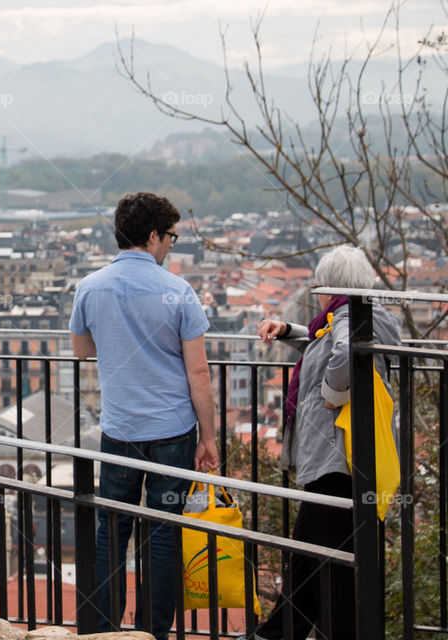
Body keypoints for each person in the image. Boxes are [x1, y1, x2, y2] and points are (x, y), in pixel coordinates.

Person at [69, 192, 218, 639]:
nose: (172, 245)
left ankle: (103, 629)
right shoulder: (178, 291)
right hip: (172, 432)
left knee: (110, 532)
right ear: (153, 235)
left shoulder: (91, 287)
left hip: (119, 431)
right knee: (162, 534)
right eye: (170, 236)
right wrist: (208, 437)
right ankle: (152, 632)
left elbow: (81, 350)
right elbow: (198, 371)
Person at [243, 245, 401, 640]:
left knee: (329, 558)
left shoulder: (348, 318)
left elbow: (342, 354)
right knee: (309, 551)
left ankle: (289, 632)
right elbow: (325, 343)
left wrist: (333, 393)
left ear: (333, 284)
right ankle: (279, 632)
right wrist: (289, 331)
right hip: (342, 457)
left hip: (337, 456)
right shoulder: (360, 316)